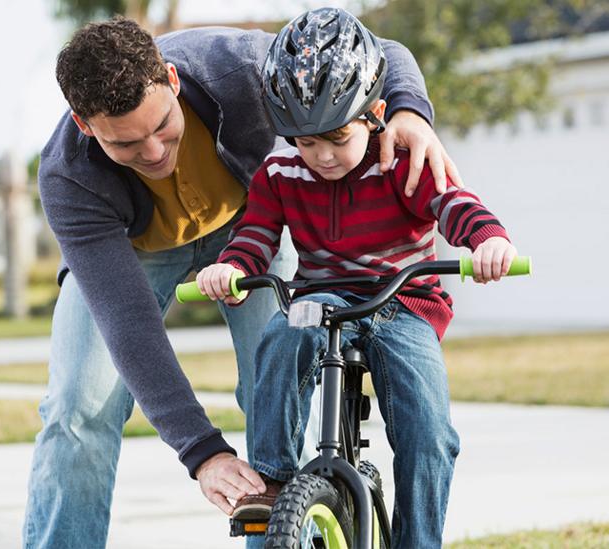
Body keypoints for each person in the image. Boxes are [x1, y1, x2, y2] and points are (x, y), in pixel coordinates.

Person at [25, 15, 464, 549]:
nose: (155, 152)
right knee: (77, 408)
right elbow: (128, 323)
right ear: (85, 125)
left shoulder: (242, 68)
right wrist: (202, 450)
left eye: (162, 125)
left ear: (172, 79)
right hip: (135, 250)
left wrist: (411, 111)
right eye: (127, 146)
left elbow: (382, 48)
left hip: (248, 227)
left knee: (276, 371)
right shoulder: (68, 177)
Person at [195, 8, 517, 548]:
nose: (321, 156)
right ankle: (273, 482)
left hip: (405, 300)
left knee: (430, 434)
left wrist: (488, 240)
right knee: (279, 335)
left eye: (337, 138)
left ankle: (419, 540)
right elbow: (256, 236)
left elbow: (453, 202)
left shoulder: (400, 161)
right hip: (322, 296)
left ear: (375, 114)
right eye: (306, 140)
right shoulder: (280, 173)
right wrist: (232, 267)